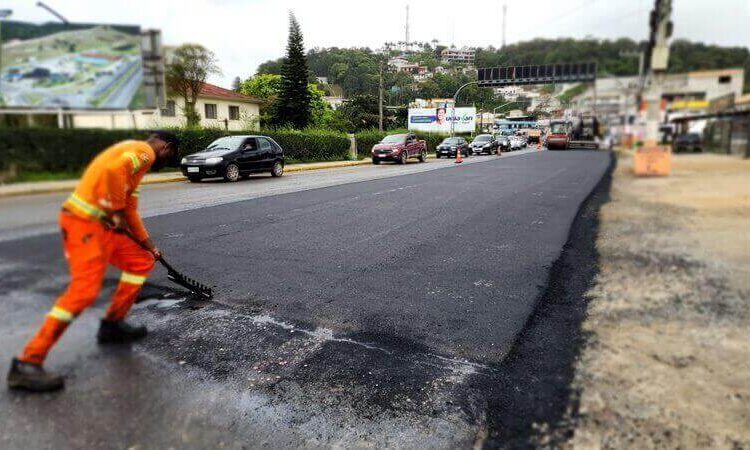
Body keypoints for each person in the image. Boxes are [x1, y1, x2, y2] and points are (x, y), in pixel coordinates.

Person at [7, 131, 179, 392]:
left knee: (140, 261)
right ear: (165, 147)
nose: (164, 163)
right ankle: (27, 363)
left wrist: (149, 245)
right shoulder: (143, 153)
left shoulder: (135, 164)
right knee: (84, 290)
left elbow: (129, 210)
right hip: (84, 225)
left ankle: (112, 324)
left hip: (104, 227)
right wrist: (114, 209)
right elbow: (112, 172)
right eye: (170, 158)